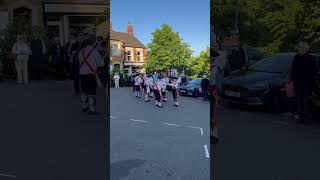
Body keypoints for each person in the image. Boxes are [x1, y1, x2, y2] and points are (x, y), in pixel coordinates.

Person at [291, 41, 317, 123]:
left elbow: (313, 71)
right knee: (299, 99)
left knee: (305, 100)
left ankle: (306, 116)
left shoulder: (310, 58)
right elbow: (293, 69)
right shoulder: (296, 57)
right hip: (298, 82)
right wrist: (292, 79)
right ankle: (300, 116)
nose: (298, 49)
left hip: (306, 83)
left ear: (304, 49)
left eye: (299, 48)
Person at [78, 37, 105, 115]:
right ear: (93, 43)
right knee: (91, 92)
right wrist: (102, 57)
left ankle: (84, 107)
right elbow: (101, 64)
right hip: (91, 74)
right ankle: (92, 109)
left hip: (82, 74)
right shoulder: (94, 52)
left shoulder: (81, 51)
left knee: (84, 91)